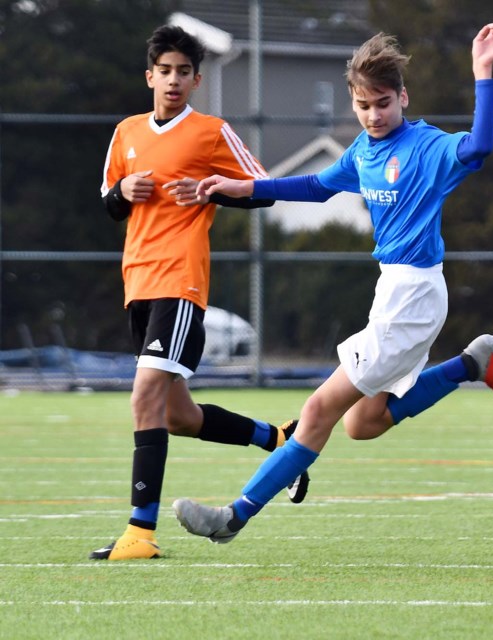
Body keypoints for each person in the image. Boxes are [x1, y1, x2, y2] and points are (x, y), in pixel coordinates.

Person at [171, 24, 493, 542]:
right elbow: (315, 185)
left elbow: (480, 148)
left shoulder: (426, 146)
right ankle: (472, 364)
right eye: (363, 105)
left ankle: (233, 517)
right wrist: (241, 186)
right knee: (363, 423)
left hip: (414, 297)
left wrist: (483, 73)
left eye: (383, 103)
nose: (374, 115)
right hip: (395, 295)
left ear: (403, 97)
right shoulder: (362, 149)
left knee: (317, 411)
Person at [91, 25, 309, 561]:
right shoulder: (127, 133)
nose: (172, 80)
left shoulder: (212, 132)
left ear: (196, 80)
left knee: (144, 396)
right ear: (150, 76)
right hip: (137, 282)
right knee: (176, 416)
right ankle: (281, 442)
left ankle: (140, 534)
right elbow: (109, 203)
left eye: (182, 72)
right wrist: (122, 190)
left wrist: (212, 188)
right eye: (164, 71)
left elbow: (262, 189)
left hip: (180, 282)